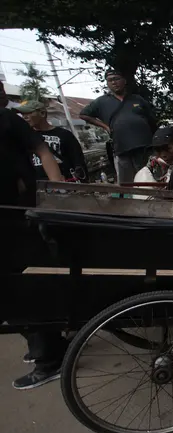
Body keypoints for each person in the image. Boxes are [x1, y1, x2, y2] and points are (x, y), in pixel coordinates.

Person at [0, 106, 66, 389]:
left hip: (15, 214)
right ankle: (45, 343)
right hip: (13, 213)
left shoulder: (6, 120)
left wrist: (60, 194)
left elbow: (43, 152)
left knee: (20, 286)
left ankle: (48, 355)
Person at [79, 69, 157, 184]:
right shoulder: (102, 102)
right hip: (122, 148)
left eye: (116, 79)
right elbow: (83, 114)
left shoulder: (137, 99)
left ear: (124, 81)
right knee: (127, 182)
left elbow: (151, 119)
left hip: (144, 146)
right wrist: (105, 126)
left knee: (149, 178)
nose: (114, 82)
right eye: (110, 80)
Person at [14, 100, 88, 182]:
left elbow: (78, 162)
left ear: (42, 113)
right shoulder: (24, 137)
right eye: (23, 114)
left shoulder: (64, 135)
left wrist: (84, 183)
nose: (25, 117)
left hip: (65, 182)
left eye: (29, 113)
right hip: (38, 186)